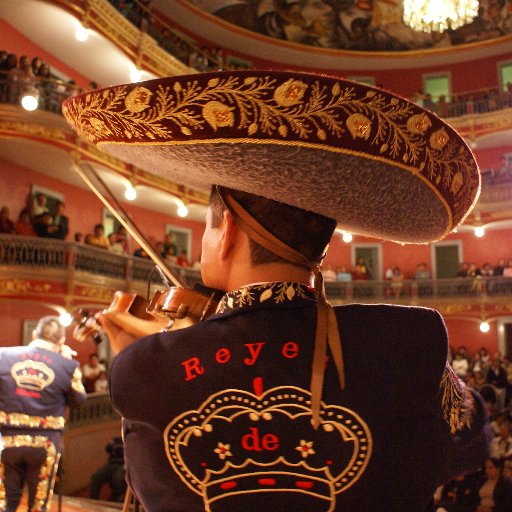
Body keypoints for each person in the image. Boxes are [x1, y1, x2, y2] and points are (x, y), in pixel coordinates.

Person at [64, 70, 488, 512]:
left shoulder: (146, 367)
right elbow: (471, 438)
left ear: (225, 230)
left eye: (206, 228)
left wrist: (159, 356)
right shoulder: (408, 341)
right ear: (319, 251)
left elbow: (153, 492)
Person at [0, 315, 87, 512]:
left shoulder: (2, 355)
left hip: (6, 440)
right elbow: (79, 400)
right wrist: (66, 360)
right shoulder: (68, 366)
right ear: (61, 341)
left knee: (5, 502)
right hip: (45, 444)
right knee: (39, 504)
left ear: (34, 334)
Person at [89, 436, 126, 502]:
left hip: (123, 465)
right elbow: (107, 448)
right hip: (111, 464)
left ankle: (114, 501)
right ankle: (93, 501)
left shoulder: (129, 438)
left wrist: (119, 448)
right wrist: (116, 447)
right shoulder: (116, 439)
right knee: (96, 477)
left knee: (118, 480)